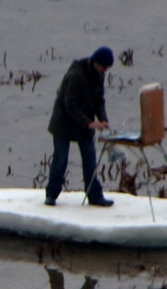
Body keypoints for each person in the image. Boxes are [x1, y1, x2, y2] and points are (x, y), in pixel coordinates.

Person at [45, 46, 117, 207]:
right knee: (60, 160)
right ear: (96, 63)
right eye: (103, 67)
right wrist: (89, 123)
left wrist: (103, 119)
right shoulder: (75, 75)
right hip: (63, 124)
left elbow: (99, 101)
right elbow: (70, 105)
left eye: (107, 68)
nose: (105, 71)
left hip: (84, 125)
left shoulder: (99, 75)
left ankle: (95, 196)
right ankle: (51, 195)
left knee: (90, 161)